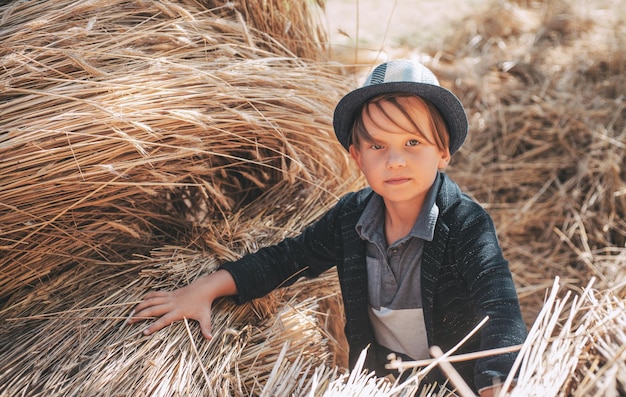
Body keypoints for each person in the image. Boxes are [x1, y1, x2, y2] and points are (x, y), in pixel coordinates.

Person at [128, 59, 527, 396]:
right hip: (381, 383)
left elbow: (499, 306)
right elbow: (288, 258)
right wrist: (206, 288)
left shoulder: (464, 223)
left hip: (454, 385)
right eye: (376, 146)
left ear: (443, 152)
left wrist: (499, 382)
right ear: (357, 156)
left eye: (412, 143)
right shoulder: (350, 218)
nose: (395, 161)